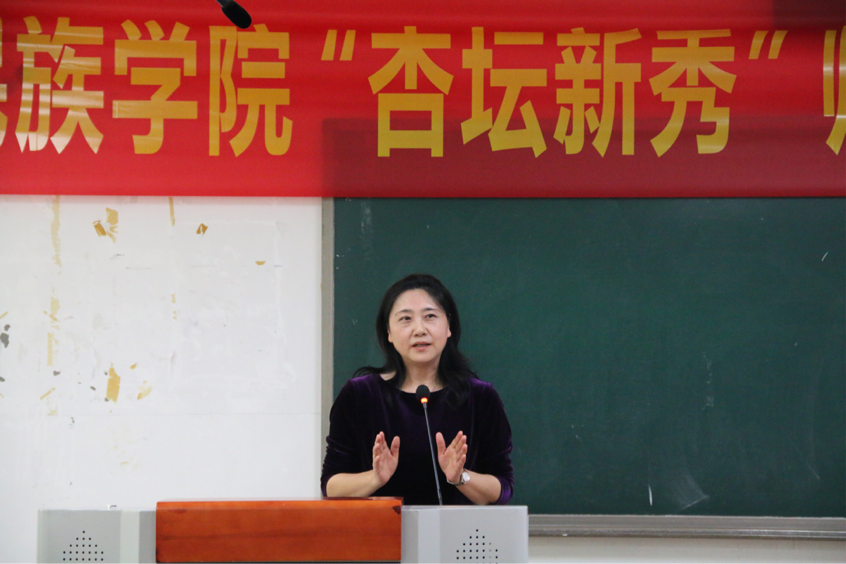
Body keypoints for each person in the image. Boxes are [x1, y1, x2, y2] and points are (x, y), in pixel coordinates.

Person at [321, 274, 514, 505]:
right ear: (389, 332)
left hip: (456, 529)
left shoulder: (480, 397)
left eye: (430, 316)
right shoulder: (359, 395)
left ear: (449, 326)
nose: (419, 329)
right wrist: (374, 478)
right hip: (381, 528)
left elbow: (503, 489)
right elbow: (330, 486)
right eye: (406, 319)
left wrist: (460, 477)